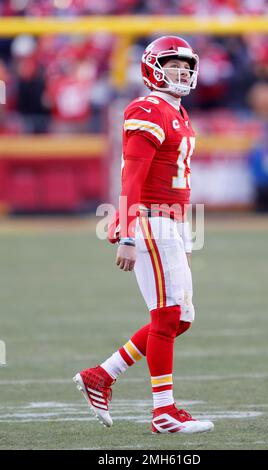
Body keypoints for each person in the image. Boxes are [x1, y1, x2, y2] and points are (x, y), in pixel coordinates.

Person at [73, 36, 214, 435]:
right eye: (173, 65)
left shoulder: (178, 112)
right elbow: (132, 177)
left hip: (173, 222)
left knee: (180, 317)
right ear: (153, 68)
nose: (182, 72)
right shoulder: (148, 109)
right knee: (168, 315)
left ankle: (102, 375)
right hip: (152, 219)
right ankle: (163, 411)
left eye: (187, 66)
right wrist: (128, 233)